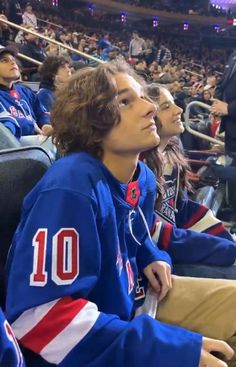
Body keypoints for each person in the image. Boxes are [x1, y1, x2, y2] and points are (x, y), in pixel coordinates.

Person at [6, 61, 236, 367]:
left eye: (143, 97)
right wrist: (167, 348)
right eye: (125, 101)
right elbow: (41, 320)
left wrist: (151, 255)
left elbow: (139, 235)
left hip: (135, 304)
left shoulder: (141, 175)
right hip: (93, 343)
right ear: (90, 120)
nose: (149, 108)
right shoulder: (69, 188)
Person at [145, 83, 236, 279]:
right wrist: (227, 251)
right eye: (167, 107)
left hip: (175, 249)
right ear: (147, 116)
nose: (179, 109)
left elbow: (183, 210)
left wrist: (227, 242)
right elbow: (154, 234)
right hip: (156, 263)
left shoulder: (171, 155)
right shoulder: (138, 169)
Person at [212, 50, 236, 154]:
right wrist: (217, 104)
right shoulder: (234, 54)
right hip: (230, 126)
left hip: (231, 113)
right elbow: (222, 83)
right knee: (230, 164)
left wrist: (229, 109)